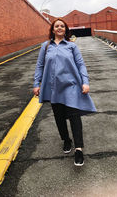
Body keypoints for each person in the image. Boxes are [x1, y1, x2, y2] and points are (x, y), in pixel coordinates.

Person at [33, 18, 96, 166]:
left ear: (65, 30)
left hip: (71, 86)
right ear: (53, 30)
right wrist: (36, 84)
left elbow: (81, 64)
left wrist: (85, 82)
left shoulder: (71, 46)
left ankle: (79, 149)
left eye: (62, 26)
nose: (60, 28)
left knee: (74, 116)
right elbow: (40, 66)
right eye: (57, 26)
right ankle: (66, 140)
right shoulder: (46, 46)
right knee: (59, 117)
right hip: (53, 87)